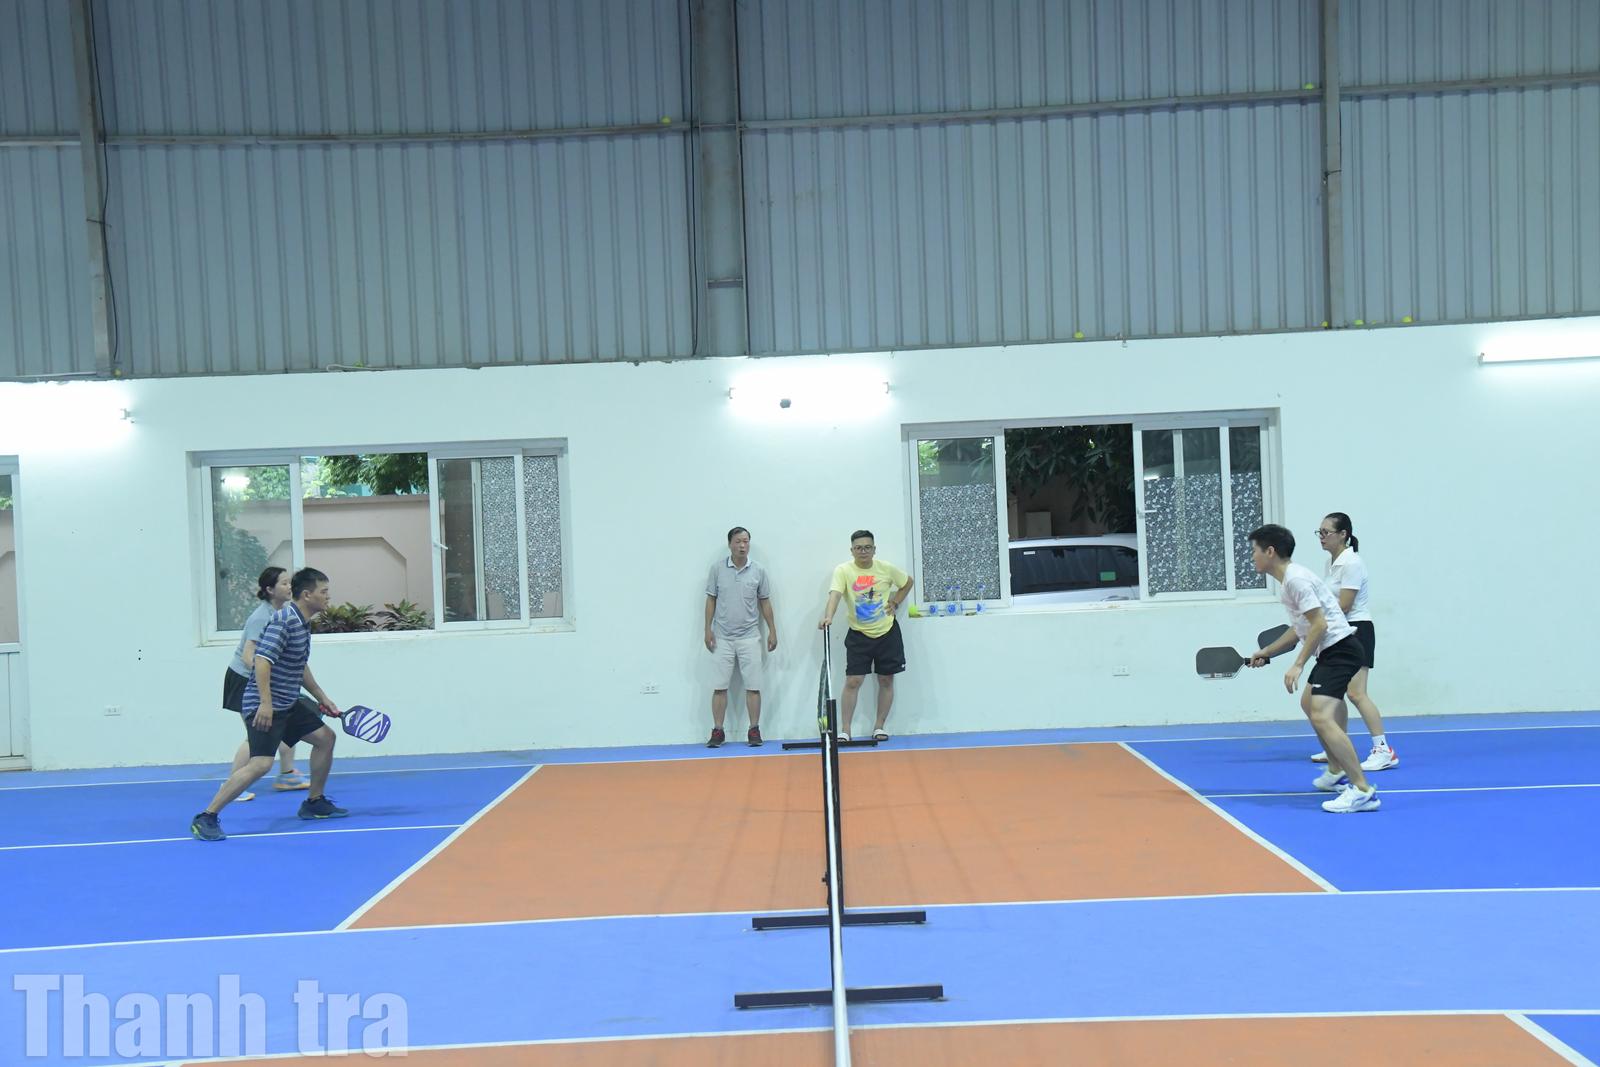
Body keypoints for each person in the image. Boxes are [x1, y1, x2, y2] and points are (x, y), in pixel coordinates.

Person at [191, 568, 346, 841]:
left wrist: (322, 697)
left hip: (287, 701)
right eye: (323, 592)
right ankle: (206, 816)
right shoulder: (284, 621)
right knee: (261, 764)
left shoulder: (302, 622)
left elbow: (299, 664)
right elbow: (262, 660)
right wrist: (265, 704)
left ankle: (314, 802)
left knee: (325, 738)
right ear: (307, 595)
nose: (328, 597)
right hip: (267, 704)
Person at [1245, 524, 1380, 813]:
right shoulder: (1290, 582)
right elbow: (1301, 628)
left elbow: (1320, 624)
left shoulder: (1295, 580)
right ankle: (1336, 771)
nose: (1252, 556)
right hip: (1333, 650)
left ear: (1270, 551)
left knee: (1321, 714)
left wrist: (1297, 665)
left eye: (1255, 551)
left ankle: (1362, 790)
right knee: (1309, 704)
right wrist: (1268, 652)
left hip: (1341, 649)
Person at [1308, 512, 1397, 771]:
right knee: (1334, 693)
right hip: (1339, 631)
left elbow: (1344, 605)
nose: (1321, 537)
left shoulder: (1352, 563)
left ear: (1343, 534)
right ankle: (1338, 745)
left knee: (1356, 693)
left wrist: (1316, 622)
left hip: (1357, 630)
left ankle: (1384, 750)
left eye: (1326, 532)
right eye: (1319, 532)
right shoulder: (1331, 564)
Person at [220, 567, 311, 801]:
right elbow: (249, 655)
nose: (289, 587)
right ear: (270, 589)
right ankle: (233, 785)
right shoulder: (262, 617)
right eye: (284, 583)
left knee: (285, 725)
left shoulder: (284, 613)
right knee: (257, 735)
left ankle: (287, 775)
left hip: (264, 680)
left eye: (290, 582)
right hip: (244, 680)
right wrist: (266, 685)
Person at [817, 530, 913, 742]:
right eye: (858, 548)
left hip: (887, 632)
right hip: (859, 634)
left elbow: (907, 582)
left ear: (874, 549)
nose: (863, 551)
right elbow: (835, 595)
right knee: (853, 681)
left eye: (867, 547)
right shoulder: (843, 570)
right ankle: (845, 730)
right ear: (852, 550)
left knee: (886, 679)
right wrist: (828, 616)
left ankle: (879, 727)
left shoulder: (885, 568)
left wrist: (895, 602)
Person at [704, 526, 777, 748]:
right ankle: (718, 730)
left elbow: (765, 602)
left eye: (746, 541)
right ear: (730, 544)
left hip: (750, 636)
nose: (742, 545)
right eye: (738, 541)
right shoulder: (717, 569)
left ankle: (754, 730)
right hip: (722, 637)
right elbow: (711, 600)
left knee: (753, 686)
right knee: (719, 687)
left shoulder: (759, 571)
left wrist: (772, 630)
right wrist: (707, 629)